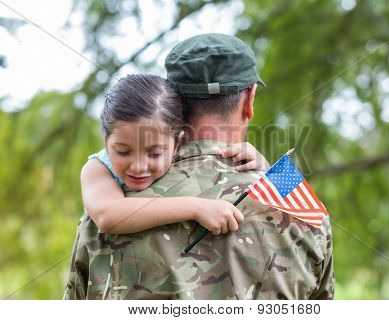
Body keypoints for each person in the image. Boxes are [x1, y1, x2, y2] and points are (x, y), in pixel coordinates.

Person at [64, 33, 334, 300]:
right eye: (123, 151)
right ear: (249, 100)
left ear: (174, 105)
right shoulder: (303, 211)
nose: (138, 165)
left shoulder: (108, 211)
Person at [81, 74, 269, 236]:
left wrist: (263, 167)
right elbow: (108, 216)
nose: (138, 166)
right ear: (106, 141)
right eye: (123, 151)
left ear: (178, 143)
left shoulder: (188, 157)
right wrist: (197, 208)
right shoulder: (98, 168)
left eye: (154, 154)